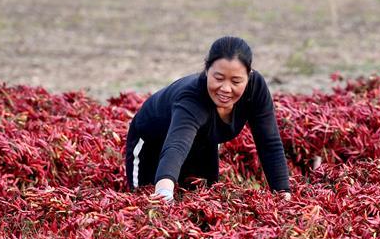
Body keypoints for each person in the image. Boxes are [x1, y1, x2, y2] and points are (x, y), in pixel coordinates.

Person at [124, 36, 291, 202]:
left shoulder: (256, 89)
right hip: (152, 143)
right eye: (218, 78)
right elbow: (176, 145)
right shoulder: (192, 98)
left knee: (207, 199)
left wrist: (283, 193)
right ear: (206, 70)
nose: (226, 88)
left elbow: (269, 142)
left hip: (203, 141)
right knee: (146, 203)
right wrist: (164, 191)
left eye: (236, 81)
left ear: (249, 76)